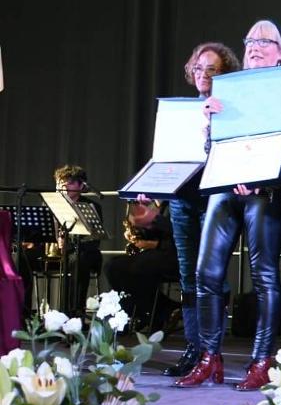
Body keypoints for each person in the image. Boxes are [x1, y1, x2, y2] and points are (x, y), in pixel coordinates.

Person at [176, 20, 281, 389]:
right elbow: (213, 150)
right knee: (206, 274)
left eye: (265, 41)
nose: (254, 46)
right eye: (250, 40)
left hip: (265, 191)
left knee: (264, 276)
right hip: (225, 187)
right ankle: (209, 357)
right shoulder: (228, 91)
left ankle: (262, 361)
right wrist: (209, 125)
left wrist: (256, 176)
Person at [162, 42, 241, 376]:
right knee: (188, 277)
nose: (203, 74)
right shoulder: (181, 114)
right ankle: (194, 349)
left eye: (211, 69)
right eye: (198, 68)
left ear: (225, 74)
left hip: (215, 199)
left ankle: (213, 352)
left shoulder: (232, 111)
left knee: (212, 277)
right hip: (182, 198)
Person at [106, 200, 179, 332]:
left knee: (137, 268)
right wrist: (136, 233)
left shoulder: (175, 205)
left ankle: (154, 313)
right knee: (112, 266)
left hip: (175, 258)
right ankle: (151, 311)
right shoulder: (156, 206)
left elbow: (181, 238)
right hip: (155, 255)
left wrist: (153, 244)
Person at [52, 164, 103, 311]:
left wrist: (69, 244)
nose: (64, 185)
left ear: (81, 186)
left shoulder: (92, 206)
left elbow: (94, 241)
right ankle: (24, 315)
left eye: (70, 182)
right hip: (57, 253)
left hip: (83, 253)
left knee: (78, 259)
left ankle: (74, 311)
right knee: (22, 258)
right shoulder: (51, 204)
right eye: (61, 181)